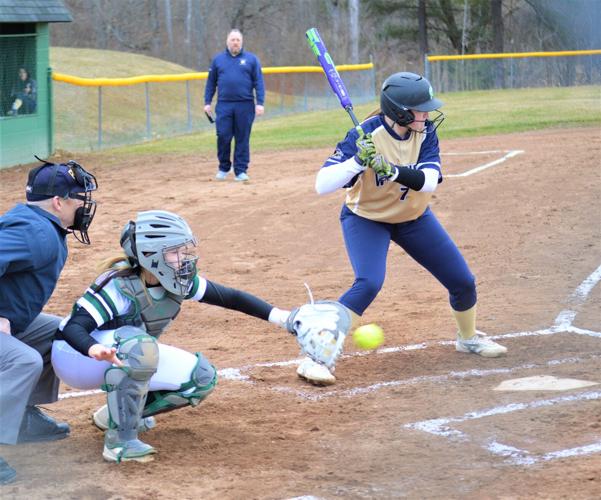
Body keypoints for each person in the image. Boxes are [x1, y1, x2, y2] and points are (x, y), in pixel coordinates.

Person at [296, 72, 507, 386]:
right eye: (421, 109)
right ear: (400, 112)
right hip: (366, 219)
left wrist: (391, 170)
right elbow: (321, 185)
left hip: (413, 218)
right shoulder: (364, 135)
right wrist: (357, 162)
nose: (427, 114)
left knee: (462, 281)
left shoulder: (426, 132)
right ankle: (315, 358)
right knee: (368, 282)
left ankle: (468, 338)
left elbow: (428, 181)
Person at [51, 210, 293, 463]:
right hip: (75, 357)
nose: (183, 258)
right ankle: (119, 444)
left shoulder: (176, 280)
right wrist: (93, 349)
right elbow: (73, 329)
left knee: (200, 378)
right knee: (140, 346)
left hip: (120, 351)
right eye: (174, 252)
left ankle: (114, 416)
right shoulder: (118, 285)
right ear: (150, 256)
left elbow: (230, 298)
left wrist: (283, 318)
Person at [0, 158, 98, 483]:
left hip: (12, 321)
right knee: (23, 361)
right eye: (80, 200)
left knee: (60, 331)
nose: (85, 207)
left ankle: (25, 418)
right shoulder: (35, 233)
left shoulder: (40, 226)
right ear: (58, 202)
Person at [204, 29, 265, 182]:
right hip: (224, 104)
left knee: (242, 137)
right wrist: (207, 102)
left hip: (245, 105)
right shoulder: (218, 60)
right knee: (223, 136)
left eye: (238, 40)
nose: (235, 42)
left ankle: (240, 170)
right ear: (227, 41)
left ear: (241, 42)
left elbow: (259, 83)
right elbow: (211, 83)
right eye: (232, 39)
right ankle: (224, 167)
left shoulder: (251, 60)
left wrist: (260, 103)